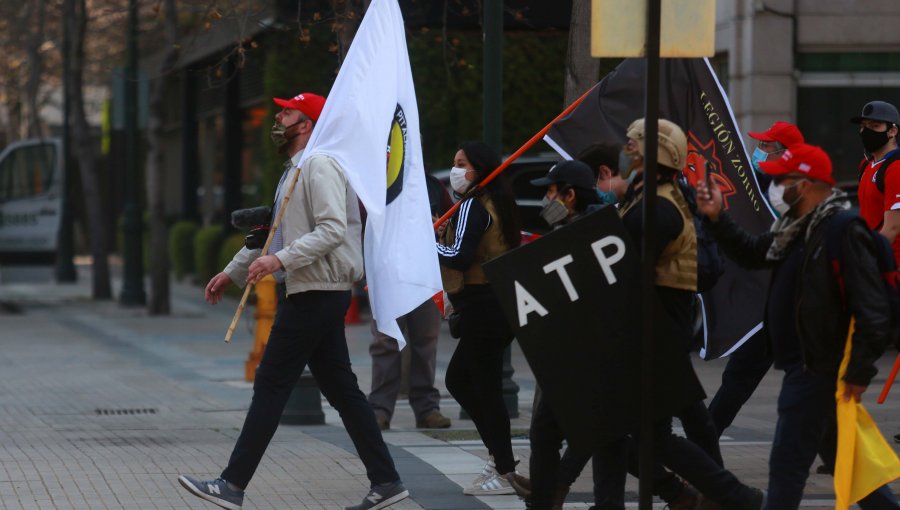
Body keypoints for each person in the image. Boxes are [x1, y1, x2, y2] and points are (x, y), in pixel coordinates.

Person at [178, 92, 408, 510]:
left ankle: (231, 485)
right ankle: (387, 481)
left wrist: (277, 260)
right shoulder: (297, 169)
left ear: (306, 125)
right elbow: (275, 231)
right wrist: (231, 271)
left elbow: (332, 230)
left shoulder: (319, 165)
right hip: (315, 289)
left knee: (270, 384)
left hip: (316, 290)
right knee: (341, 389)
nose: (278, 117)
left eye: (287, 112)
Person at [696, 143, 899, 509]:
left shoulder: (840, 230)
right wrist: (717, 218)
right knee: (846, 461)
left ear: (804, 184)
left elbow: (873, 309)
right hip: (801, 366)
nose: (775, 187)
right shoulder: (795, 228)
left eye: (781, 179)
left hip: (816, 370)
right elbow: (753, 251)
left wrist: (858, 372)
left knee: (786, 467)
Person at [618, 118, 764, 510]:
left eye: (633, 143)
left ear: (657, 151)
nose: (626, 149)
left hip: (658, 332)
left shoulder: (659, 208)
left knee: (648, 435)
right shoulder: (646, 197)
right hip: (656, 330)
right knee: (664, 428)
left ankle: (731, 498)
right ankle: (710, 496)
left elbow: (627, 272)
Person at [525, 160, 625, 510]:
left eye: (550, 192)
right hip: (574, 355)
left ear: (569, 195)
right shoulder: (569, 230)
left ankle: (686, 492)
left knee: (603, 434)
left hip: (590, 356)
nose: (545, 199)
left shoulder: (595, 233)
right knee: (589, 432)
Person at [436, 141, 530, 497]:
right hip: (497, 304)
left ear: (480, 167)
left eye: (461, 163)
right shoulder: (501, 203)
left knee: (484, 389)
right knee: (462, 380)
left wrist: (425, 241)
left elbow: (459, 256)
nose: (456, 170)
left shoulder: (474, 205)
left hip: (481, 306)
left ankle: (503, 467)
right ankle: (500, 456)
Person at [706, 120, 805, 436]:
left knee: (745, 376)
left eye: (765, 147)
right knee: (801, 383)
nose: (757, 153)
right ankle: (836, 452)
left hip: (781, 301)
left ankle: (703, 443)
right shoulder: (761, 185)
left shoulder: (788, 194)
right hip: (770, 299)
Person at [367, 174, 453, 432]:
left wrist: (440, 226)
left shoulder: (433, 186)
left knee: (425, 341)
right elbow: (364, 226)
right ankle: (379, 409)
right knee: (385, 341)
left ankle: (427, 408)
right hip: (387, 274)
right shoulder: (377, 182)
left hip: (423, 274)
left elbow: (453, 220)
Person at [853, 100, 900, 266]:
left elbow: (893, 228)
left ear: (892, 131)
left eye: (875, 126)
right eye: (864, 126)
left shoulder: (896, 167)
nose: (866, 131)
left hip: (891, 267)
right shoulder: (866, 164)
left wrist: (865, 262)